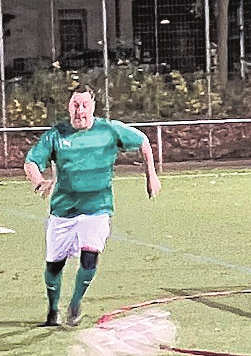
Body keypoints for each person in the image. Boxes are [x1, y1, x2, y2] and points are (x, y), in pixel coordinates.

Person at [23, 85, 161, 327]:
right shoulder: (57, 135)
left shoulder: (108, 130)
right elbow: (31, 161)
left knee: (89, 258)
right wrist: (38, 182)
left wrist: (152, 176)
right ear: (69, 107)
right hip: (63, 212)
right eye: (75, 105)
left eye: (84, 105)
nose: (79, 111)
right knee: (54, 267)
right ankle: (52, 310)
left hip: (97, 209)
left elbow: (143, 141)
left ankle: (75, 302)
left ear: (92, 107)